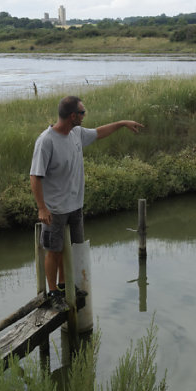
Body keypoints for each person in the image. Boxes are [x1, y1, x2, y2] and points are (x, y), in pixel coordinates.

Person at [30, 95, 144, 300]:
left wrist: (121, 123)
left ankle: (64, 286)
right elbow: (35, 176)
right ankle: (53, 293)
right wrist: (41, 208)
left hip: (75, 206)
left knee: (73, 248)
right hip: (54, 208)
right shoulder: (46, 141)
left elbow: (99, 132)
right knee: (54, 250)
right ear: (72, 115)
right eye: (82, 113)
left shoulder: (76, 133)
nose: (84, 116)